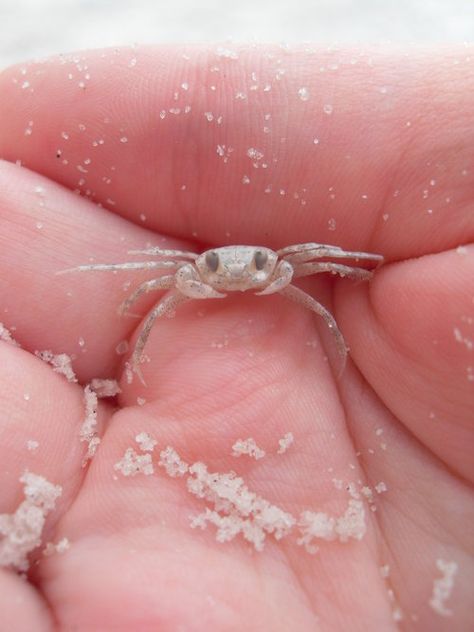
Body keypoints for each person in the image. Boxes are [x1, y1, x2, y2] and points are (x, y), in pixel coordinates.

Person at [0, 45, 472, 630]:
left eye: (252, 268)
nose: (240, 279)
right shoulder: (197, 276)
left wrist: (354, 267)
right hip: (205, 272)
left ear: (265, 263)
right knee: (154, 298)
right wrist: (133, 309)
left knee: (319, 309)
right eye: (230, 271)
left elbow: (320, 256)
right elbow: (153, 290)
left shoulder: (276, 268)